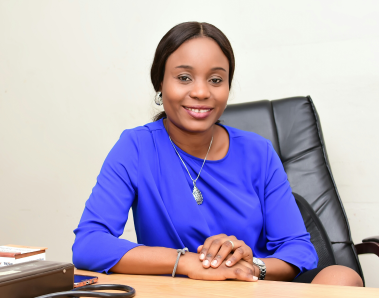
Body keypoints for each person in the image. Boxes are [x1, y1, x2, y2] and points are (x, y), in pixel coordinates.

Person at [73, 22, 362, 286]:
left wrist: (250, 266)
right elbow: (89, 244)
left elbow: (298, 249)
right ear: (160, 84)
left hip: (252, 289)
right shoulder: (136, 147)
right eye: (184, 77)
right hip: (179, 289)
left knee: (342, 277)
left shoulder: (258, 152)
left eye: (215, 80)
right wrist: (187, 263)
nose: (201, 92)